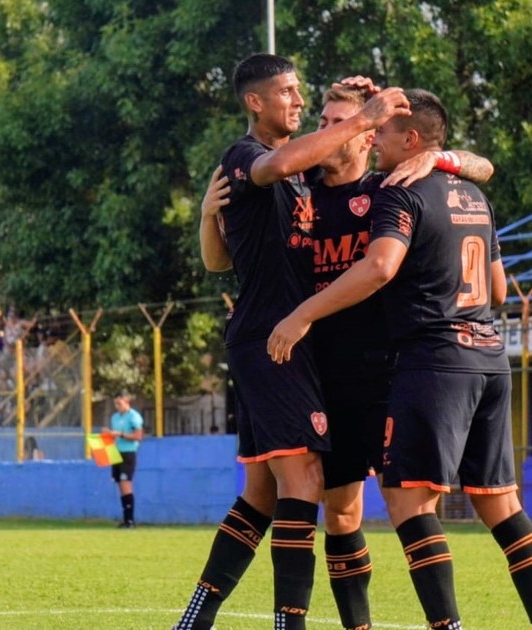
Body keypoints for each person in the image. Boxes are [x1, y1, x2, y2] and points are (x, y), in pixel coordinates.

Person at [199, 81, 496, 630]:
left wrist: (441, 156)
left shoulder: (391, 188)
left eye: (343, 123)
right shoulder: (299, 189)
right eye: (324, 121)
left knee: (403, 507)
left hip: (385, 372)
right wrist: (207, 216)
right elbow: (227, 255)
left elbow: (483, 168)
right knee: (336, 510)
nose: (327, 130)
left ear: (368, 137)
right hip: (317, 373)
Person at [267, 89, 532, 630]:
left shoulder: (396, 191)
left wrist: (302, 314)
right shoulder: (473, 196)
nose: (371, 135)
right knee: (499, 504)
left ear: (412, 139)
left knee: (409, 505)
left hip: (428, 361)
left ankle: (447, 626)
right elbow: (497, 289)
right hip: (487, 355)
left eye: (379, 130)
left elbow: (380, 268)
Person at [173, 53, 410, 630]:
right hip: (270, 340)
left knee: (261, 491)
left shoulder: (311, 177)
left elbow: (221, 259)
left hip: (305, 350)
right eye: (287, 92)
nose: (299, 102)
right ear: (255, 102)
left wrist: (369, 114)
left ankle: (194, 619)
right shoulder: (247, 156)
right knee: (303, 482)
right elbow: (275, 167)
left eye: (303, 92)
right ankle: (290, 624)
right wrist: (362, 118)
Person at [105, 393, 144, 528]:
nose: (117, 406)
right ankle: (126, 519)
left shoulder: (133, 416)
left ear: (127, 403)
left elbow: (138, 436)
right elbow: (114, 436)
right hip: (116, 452)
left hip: (128, 453)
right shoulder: (115, 417)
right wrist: (109, 434)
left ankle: (130, 520)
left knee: (125, 484)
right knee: (120, 486)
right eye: (115, 404)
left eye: (119, 404)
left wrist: (120, 434)